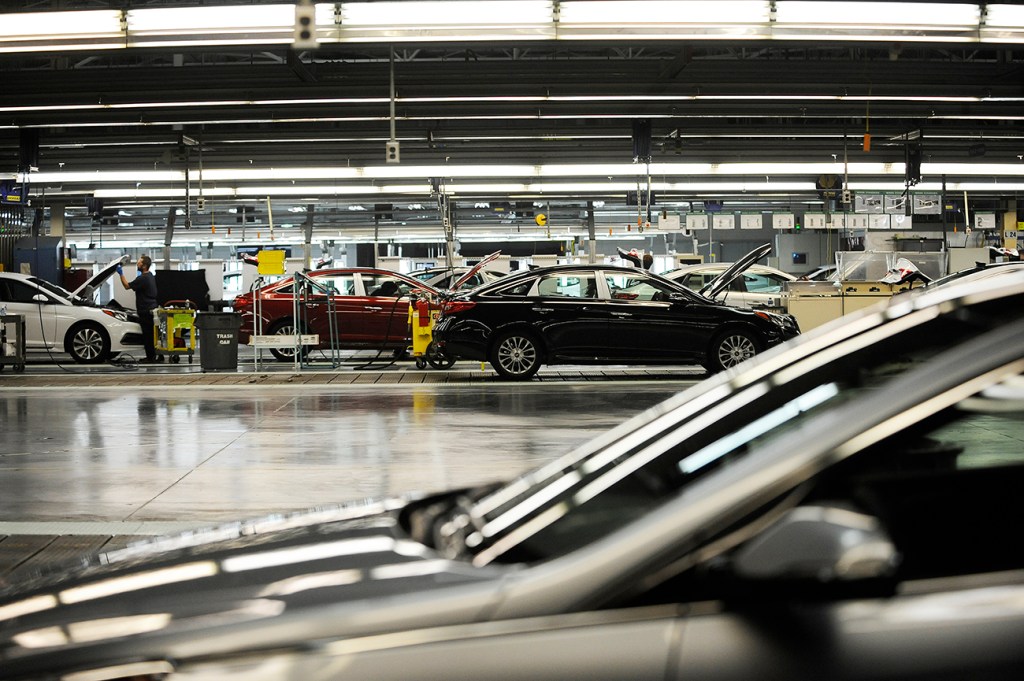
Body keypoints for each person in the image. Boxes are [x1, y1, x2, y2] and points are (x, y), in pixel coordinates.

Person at [118, 255, 160, 363]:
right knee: (152, 334)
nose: (137, 264)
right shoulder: (150, 276)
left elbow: (127, 286)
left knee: (147, 335)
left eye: (139, 262)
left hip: (145, 310)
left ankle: (150, 358)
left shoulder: (143, 278)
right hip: (151, 308)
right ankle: (155, 355)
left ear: (144, 265)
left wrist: (121, 274)